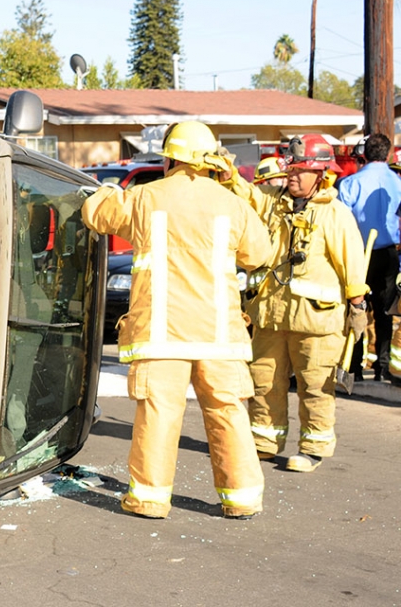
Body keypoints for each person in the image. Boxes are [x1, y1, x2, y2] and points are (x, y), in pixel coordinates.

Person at [81, 121, 272, 519]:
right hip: (219, 334)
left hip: (162, 334)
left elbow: (95, 214)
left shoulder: (146, 197)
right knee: (227, 412)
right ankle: (242, 499)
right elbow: (260, 253)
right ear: (211, 161)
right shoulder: (232, 204)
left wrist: (105, 190)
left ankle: (149, 499)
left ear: (169, 157)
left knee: (160, 412)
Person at [219, 134, 369, 473]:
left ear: (321, 174)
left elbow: (352, 263)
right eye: (292, 168)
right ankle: (264, 443)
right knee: (263, 382)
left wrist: (358, 305)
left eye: (301, 171)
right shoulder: (274, 202)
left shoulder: (335, 215)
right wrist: (229, 174)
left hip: (316, 322)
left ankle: (313, 447)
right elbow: (248, 196)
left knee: (315, 386)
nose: (293, 176)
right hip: (272, 315)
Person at [336, 132, 401, 382]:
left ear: (363, 154)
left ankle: (354, 367)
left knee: (357, 307)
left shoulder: (350, 184)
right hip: (389, 252)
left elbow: (342, 222)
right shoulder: (397, 182)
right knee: (386, 311)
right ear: (387, 153)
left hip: (357, 253)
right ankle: (382, 367)